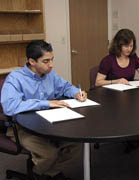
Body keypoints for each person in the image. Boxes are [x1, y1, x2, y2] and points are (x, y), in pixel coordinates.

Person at [1, 40, 87, 180]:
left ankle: (45, 173)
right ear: (32, 61)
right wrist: (45, 103)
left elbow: (65, 87)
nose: (51, 65)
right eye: (46, 61)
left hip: (50, 124)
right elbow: (10, 106)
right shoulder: (15, 78)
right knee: (49, 153)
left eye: (52, 59)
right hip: (23, 128)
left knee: (76, 145)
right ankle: (39, 173)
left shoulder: (51, 75)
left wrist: (76, 92)